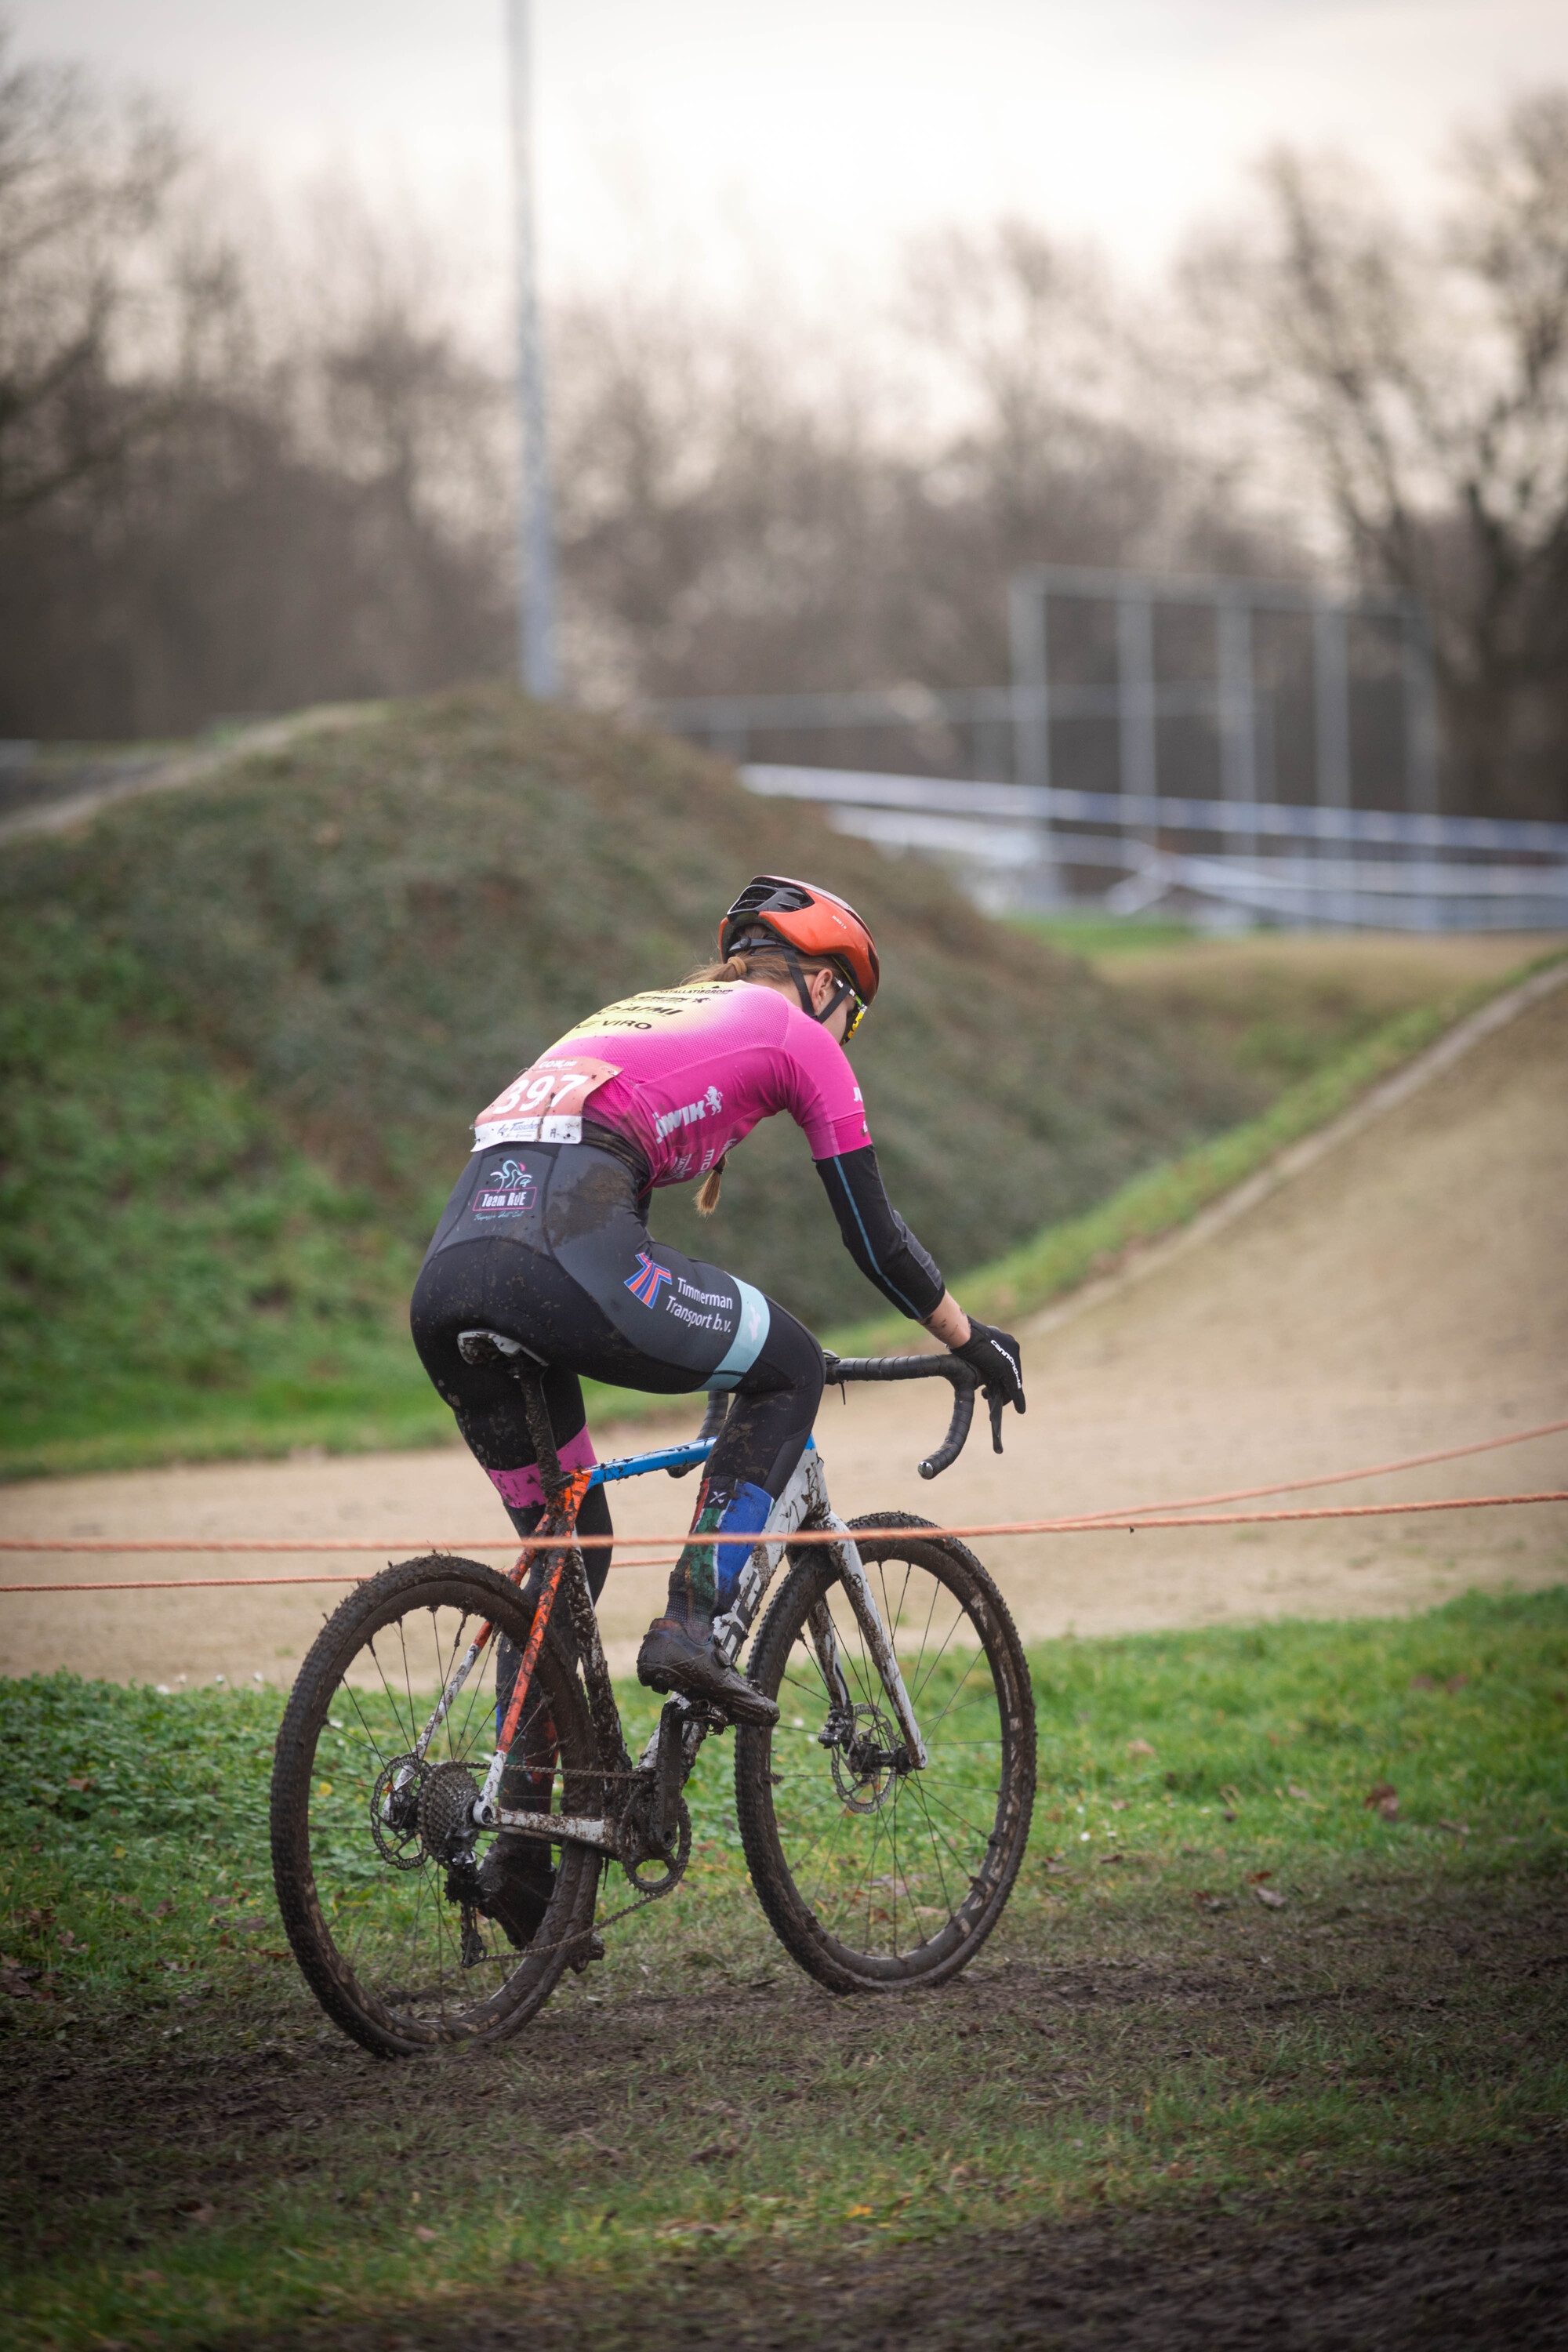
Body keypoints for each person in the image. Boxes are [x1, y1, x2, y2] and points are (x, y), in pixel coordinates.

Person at [409, 876, 1025, 1937]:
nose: (851, 1035)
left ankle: (520, 1850)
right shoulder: (797, 1035)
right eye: (857, 1014)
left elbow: (615, 1229)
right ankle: (694, 1626)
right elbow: (875, 1239)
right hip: (560, 1254)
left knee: (570, 1550)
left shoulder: (645, 1014)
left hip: (454, 1275)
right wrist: (972, 1342)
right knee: (788, 1363)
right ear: (825, 984)